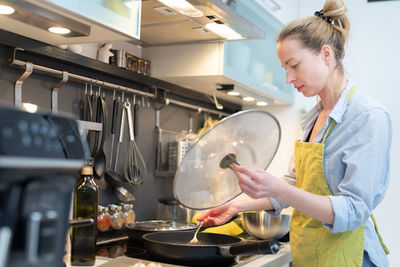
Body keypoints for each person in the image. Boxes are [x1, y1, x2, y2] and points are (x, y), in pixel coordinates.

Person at [197, 0, 392, 266]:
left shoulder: (368, 117)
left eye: (294, 65)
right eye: (284, 68)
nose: (288, 78)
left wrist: (280, 190)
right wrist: (236, 207)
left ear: (326, 54)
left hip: (349, 257)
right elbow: (294, 184)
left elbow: (354, 210)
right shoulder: (312, 118)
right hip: (309, 255)